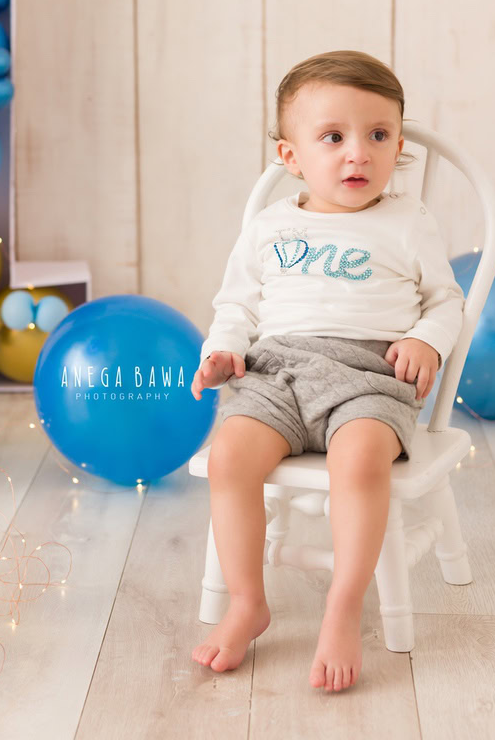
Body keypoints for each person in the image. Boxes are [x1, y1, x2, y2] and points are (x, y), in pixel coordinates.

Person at [190, 49, 464, 692]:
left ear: (399, 145)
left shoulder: (408, 221)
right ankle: (247, 601)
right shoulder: (270, 225)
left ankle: (343, 603)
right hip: (277, 372)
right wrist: (225, 349)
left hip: (370, 375)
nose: (358, 154)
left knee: (360, 461)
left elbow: (446, 300)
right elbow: (236, 304)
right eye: (333, 137)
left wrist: (426, 338)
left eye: (378, 136)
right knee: (230, 457)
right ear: (290, 157)